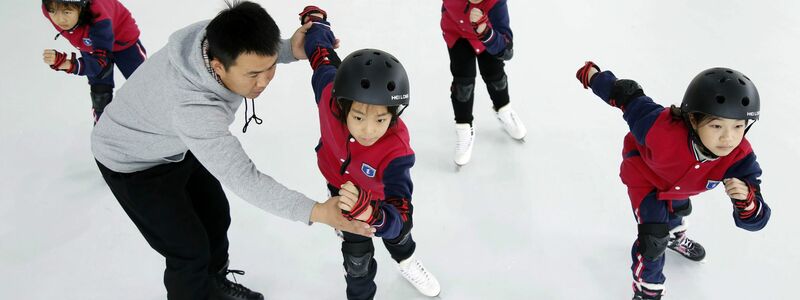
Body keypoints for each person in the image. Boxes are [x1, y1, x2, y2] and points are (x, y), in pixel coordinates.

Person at [91, 2, 373, 299]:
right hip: (131, 161)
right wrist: (315, 211)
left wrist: (291, 48)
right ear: (217, 66)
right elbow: (244, 177)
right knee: (188, 251)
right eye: (253, 75)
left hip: (174, 142)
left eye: (270, 67)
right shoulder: (195, 111)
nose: (263, 82)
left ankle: (215, 284)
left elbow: (256, 53)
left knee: (216, 217)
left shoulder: (215, 38)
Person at [576, 61, 771, 300]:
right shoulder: (658, 127)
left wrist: (747, 203)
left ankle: (676, 237)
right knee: (653, 239)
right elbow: (626, 94)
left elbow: (757, 220)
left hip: (683, 184)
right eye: (717, 125)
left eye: (738, 125)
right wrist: (593, 76)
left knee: (678, 206)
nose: (728, 138)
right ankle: (647, 291)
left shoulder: (739, 158)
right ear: (692, 119)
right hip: (644, 176)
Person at [299, 6, 441, 299]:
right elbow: (321, 55)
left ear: (393, 115)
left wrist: (372, 213)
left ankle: (407, 261)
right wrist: (316, 22)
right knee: (357, 261)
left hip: (379, 201)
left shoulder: (396, 152)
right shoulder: (328, 92)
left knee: (399, 237)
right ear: (342, 105)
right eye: (359, 117)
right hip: (340, 185)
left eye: (381, 119)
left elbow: (401, 214)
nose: (368, 129)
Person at [440, 0, 525, 166]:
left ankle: (504, 110)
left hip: (488, 38)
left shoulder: (497, 4)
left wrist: (486, 33)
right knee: (463, 84)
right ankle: (464, 127)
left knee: (496, 77)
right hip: (457, 34)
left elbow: (507, 50)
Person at [41, 0, 146, 123]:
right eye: (53, 12)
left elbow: (100, 64)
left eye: (66, 12)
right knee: (100, 93)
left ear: (81, 8)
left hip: (123, 41)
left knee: (145, 85)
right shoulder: (47, 8)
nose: (60, 20)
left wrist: (70, 64)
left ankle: (160, 122)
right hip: (90, 45)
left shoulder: (99, 19)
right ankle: (103, 131)